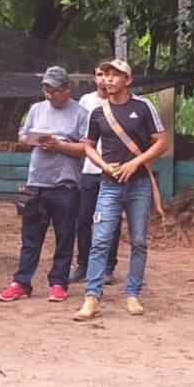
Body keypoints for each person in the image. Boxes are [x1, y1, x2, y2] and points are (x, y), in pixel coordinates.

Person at [75, 58, 167, 320]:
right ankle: (92, 297)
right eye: (104, 75)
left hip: (138, 184)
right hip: (109, 185)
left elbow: (161, 142)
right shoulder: (97, 112)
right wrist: (104, 165)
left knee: (138, 240)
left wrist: (135, 163)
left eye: (115, 75)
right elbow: (88, 146)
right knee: (101, 240)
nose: (108, 79)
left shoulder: (143, 106)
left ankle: (133, 294)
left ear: (128, 80)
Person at [0, 66, 87, 304]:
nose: (49, 94)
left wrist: (59, 145)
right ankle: (21, 282)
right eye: (46, 89)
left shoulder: (80, 113)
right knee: (30, 236)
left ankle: (58, 282)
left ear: (67, 88)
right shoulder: (37, 109)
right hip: (36, 182)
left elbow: (87, 148)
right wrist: (34, 140)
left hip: (66, 184)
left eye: (55, 90)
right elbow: (22, 137)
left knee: (65, 235)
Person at [72, 66, 121, 284]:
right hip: (89, 170)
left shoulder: (124, 103)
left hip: (115, 170)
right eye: (100, 75)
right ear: (94, 77)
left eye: (108, 75)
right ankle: (83, 264)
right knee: (83, 219)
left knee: (112, 220)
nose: (104, 80)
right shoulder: (86, 101)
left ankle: (109, 266)